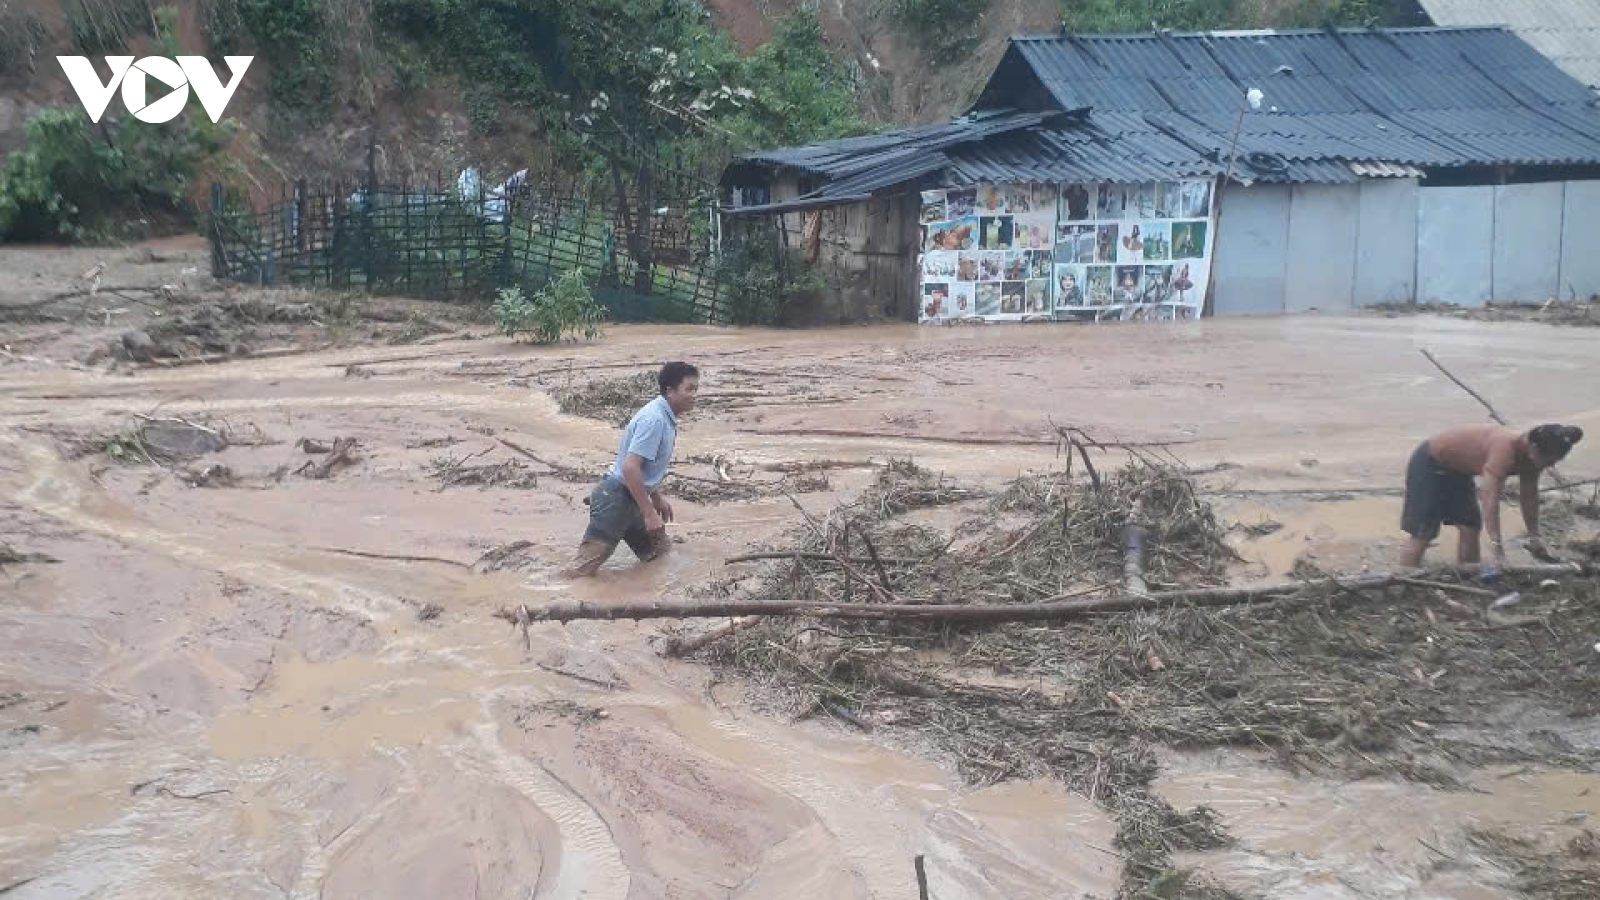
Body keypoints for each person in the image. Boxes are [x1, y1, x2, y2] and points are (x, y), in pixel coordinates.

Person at [565, 361, 700, 577]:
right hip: (616, 500)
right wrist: (649, 513)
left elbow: (643, 467)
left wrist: (656, 498)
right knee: (580, 571)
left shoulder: (664, 417)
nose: (694, 395)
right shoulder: (654, 420)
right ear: (670, 391)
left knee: (660, 557)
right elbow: (630, 468)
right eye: (689, 389)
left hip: (632, 498)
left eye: (696, 389)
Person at [1399, 423, 1583, 571]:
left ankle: (1468, 575)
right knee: (1423, 532)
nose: (1549, 465)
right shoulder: (1504, 449)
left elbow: (1529, 497)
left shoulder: (1533, 458)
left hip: (1459, 471)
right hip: (1430, 462)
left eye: (1554, 461)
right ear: (1533, 447)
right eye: (1548, 460)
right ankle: (1403, 580)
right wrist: (1497, 549)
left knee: (1470, 526)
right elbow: (1490, 500)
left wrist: (1534, 537)